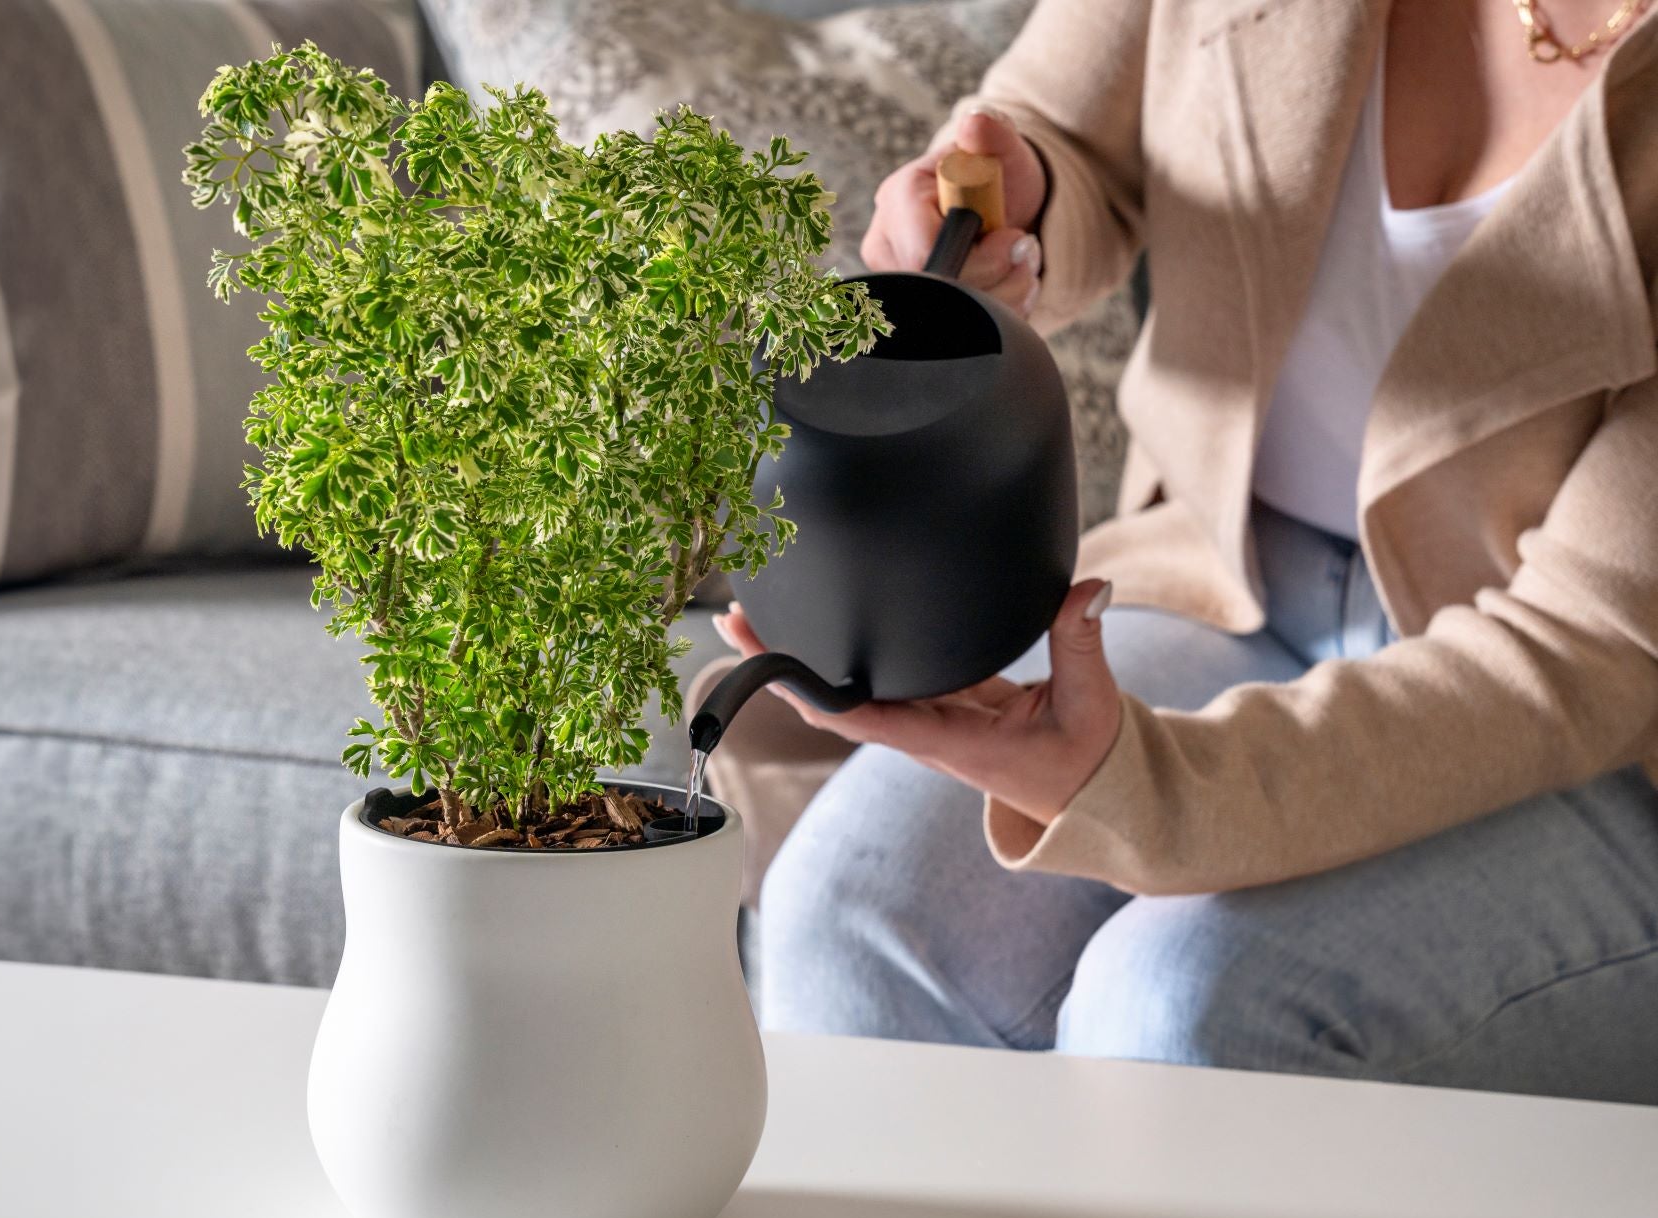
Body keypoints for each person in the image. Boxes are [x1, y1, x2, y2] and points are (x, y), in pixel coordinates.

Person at [705, 0, 1658, 1104]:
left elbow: (1586, 645)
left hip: (1589, 733)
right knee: (849, 906)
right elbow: (1061, 129)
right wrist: (1013, 204)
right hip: (1225, 573)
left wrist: (1130, 785)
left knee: (1180, 1008)